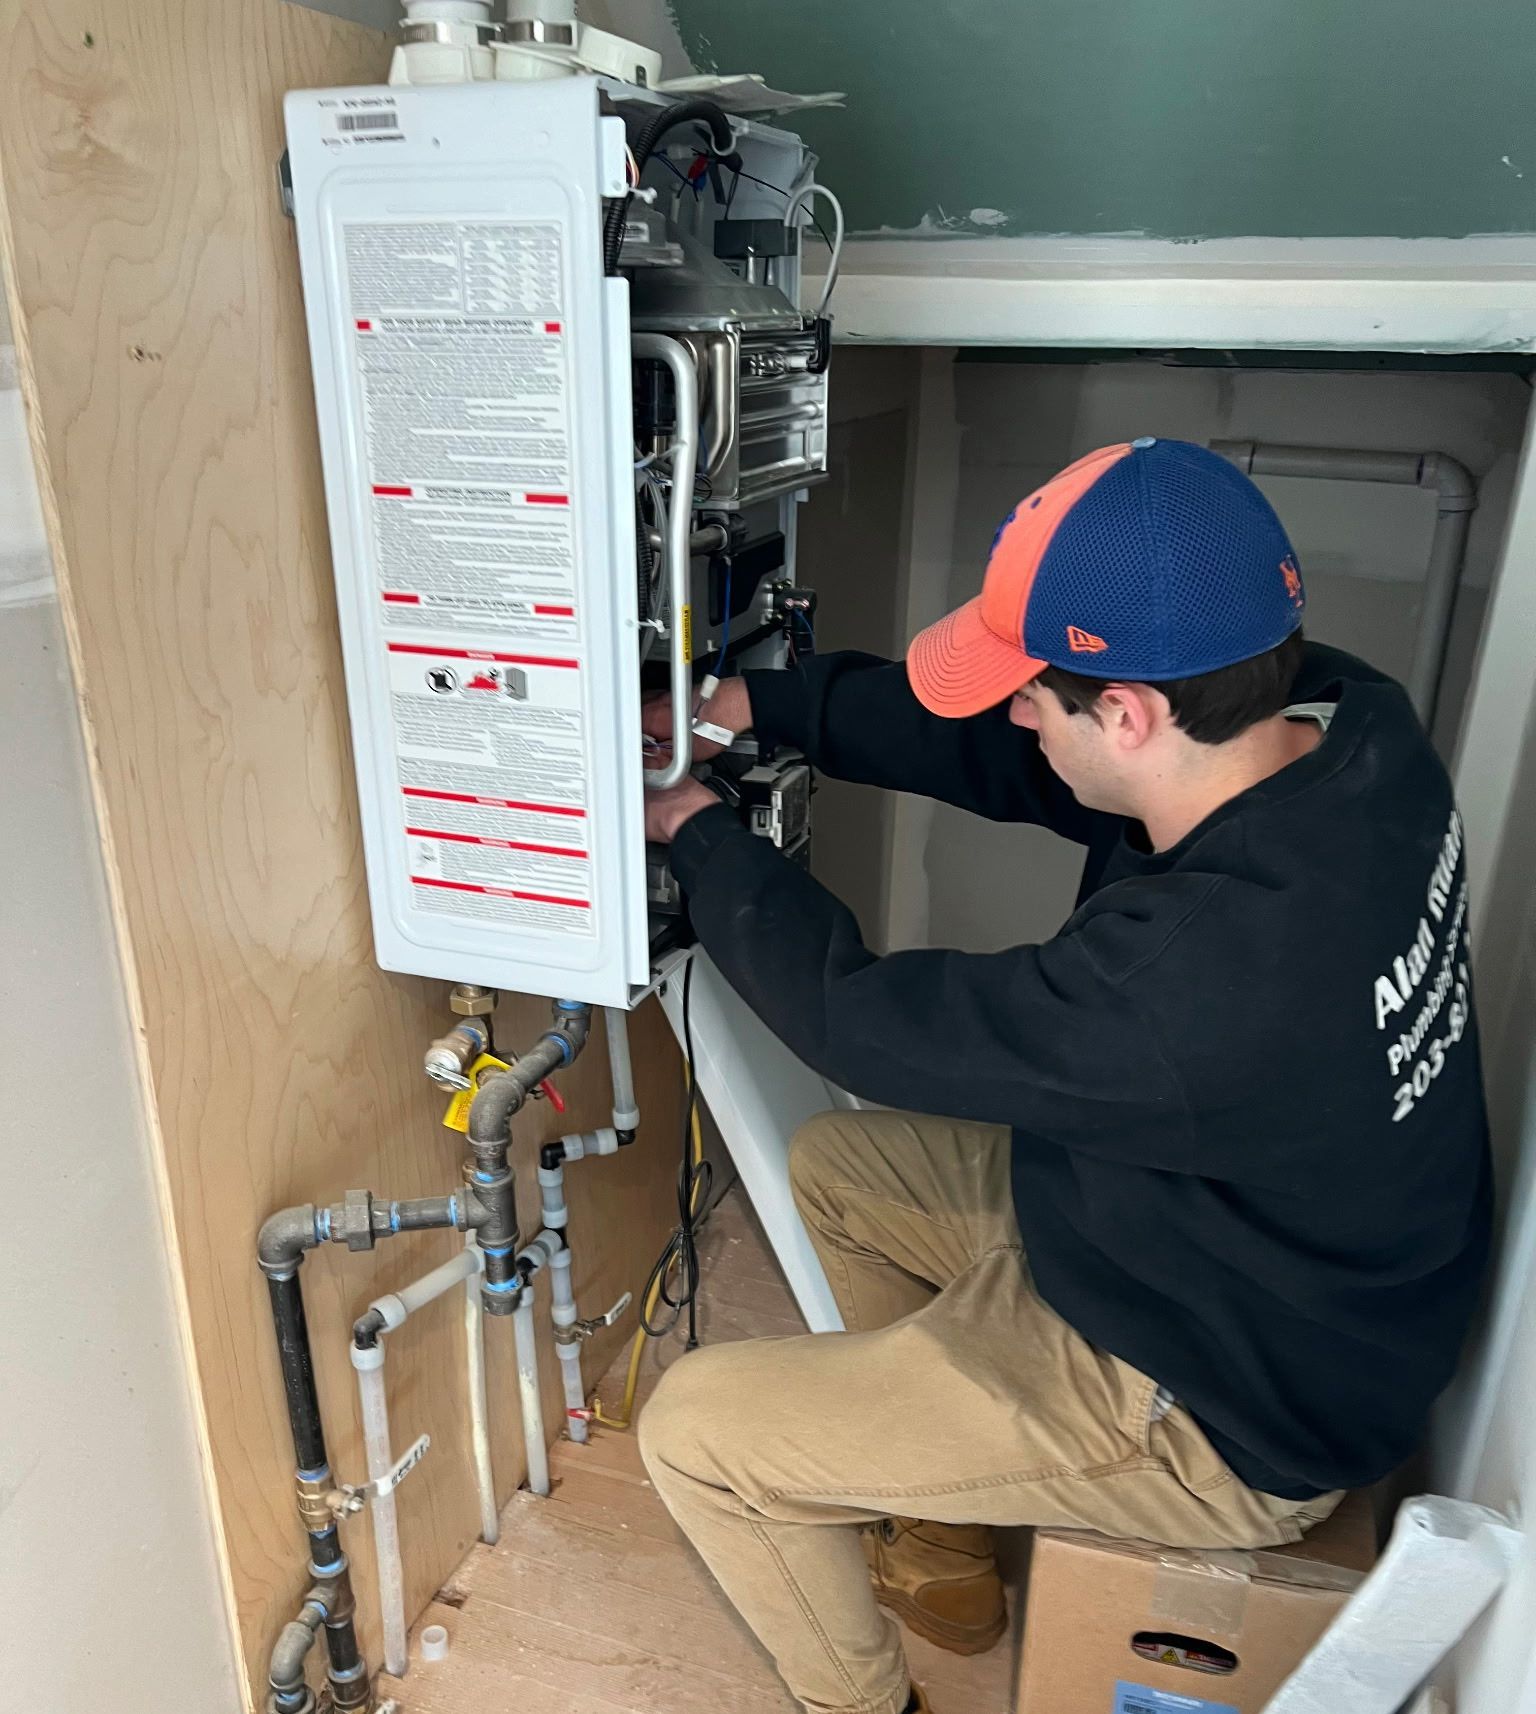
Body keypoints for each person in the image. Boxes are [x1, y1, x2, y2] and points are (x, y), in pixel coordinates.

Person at [636, 437, 1491, 1714]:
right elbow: (1011, 757)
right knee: (840, 1168)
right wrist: (756, 710)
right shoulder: (1347, 725)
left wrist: (694, 828)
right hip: (1253, 1258)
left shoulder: (1207, 981)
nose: (1015, 713)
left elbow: (860, 1018)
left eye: (1032, 690)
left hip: (1221, 1405)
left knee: (696, 1433)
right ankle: (942, 1547)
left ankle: (863, 1703)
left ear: (1132, 712)